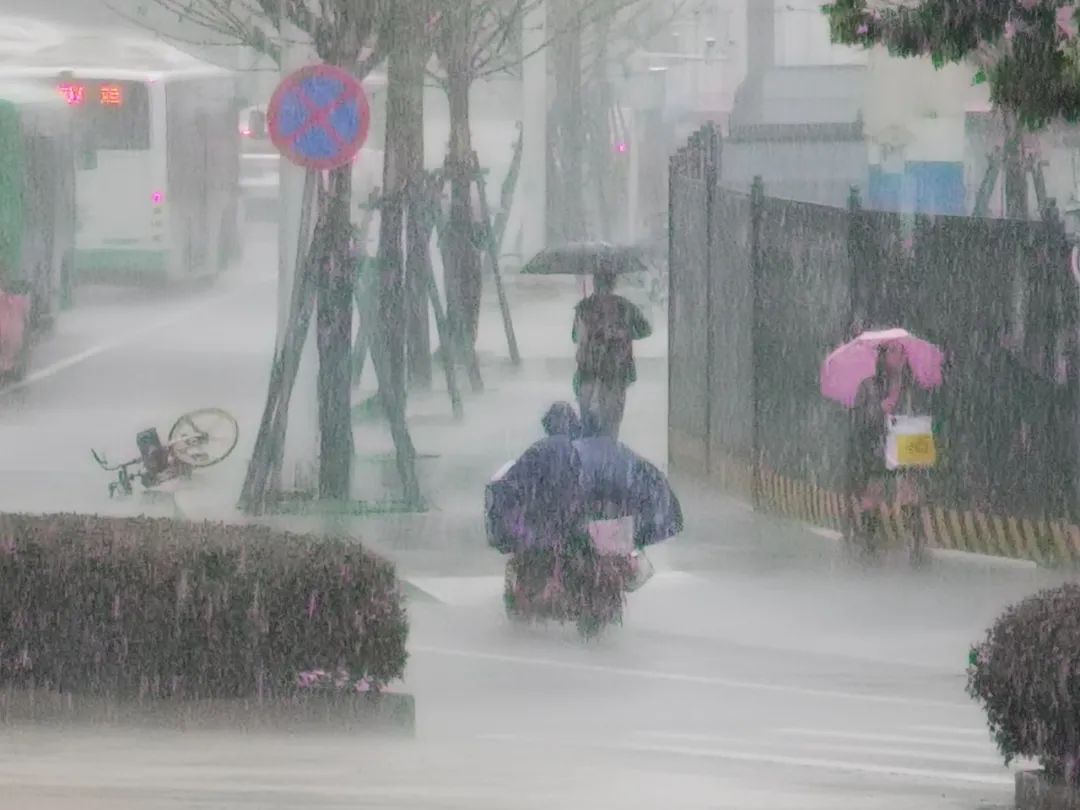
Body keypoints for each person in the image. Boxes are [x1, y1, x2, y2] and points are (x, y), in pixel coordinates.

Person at [848, 342, 932, 565]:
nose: (900, 356)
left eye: (902, 351)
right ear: (883, 356)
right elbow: (859, 419)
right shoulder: (869, 386)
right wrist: (879, 409)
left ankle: (916, 542)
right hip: (878, 445)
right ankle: (868, 540)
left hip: (906, 444)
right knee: (874, 491)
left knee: (909, 490)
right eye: (894, 351)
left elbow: (923, 413)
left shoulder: (912, 385)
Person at [572, 266, 652, 439]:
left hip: (589, 376)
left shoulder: (584, 307)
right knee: (611, 428)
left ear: (594, 283)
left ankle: (588, 461)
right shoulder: (625, 307)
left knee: (588, 427)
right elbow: (645, 330)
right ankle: (609, 461)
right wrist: (623, 333)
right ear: (613, 283)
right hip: (616, 374)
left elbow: (574, 336)